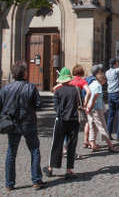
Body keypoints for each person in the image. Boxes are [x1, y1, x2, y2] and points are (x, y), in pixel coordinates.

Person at [0, 61, 46, 191]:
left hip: (12, 123)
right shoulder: (31, 87)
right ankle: (36, 180)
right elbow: (38, 105)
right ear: (24, 73)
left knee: (11, 153)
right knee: (34, 150)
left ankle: (9, 183)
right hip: (28, 122)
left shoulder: (5, 89)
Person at [43, 67, 80, 179]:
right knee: (71, 145)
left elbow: (56, 107)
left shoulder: (58, 91)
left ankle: (50, 168)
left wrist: (61, 113)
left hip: (61, 120)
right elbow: (80, 103)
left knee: (56, 144)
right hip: (73, 120)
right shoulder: (76, 90)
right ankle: (69, 170)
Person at [86, 73, 119, 152]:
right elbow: (95, 97)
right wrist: (91, 105)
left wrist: (88, 106)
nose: (106, 82)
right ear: (103, 80)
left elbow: (89, 95)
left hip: (89, 108)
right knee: (102, 127)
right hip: (96, 109)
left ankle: (92, 144)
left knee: (92, 126)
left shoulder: (92, 84)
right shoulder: (98, 86)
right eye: (105, 81)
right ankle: (110, 146)